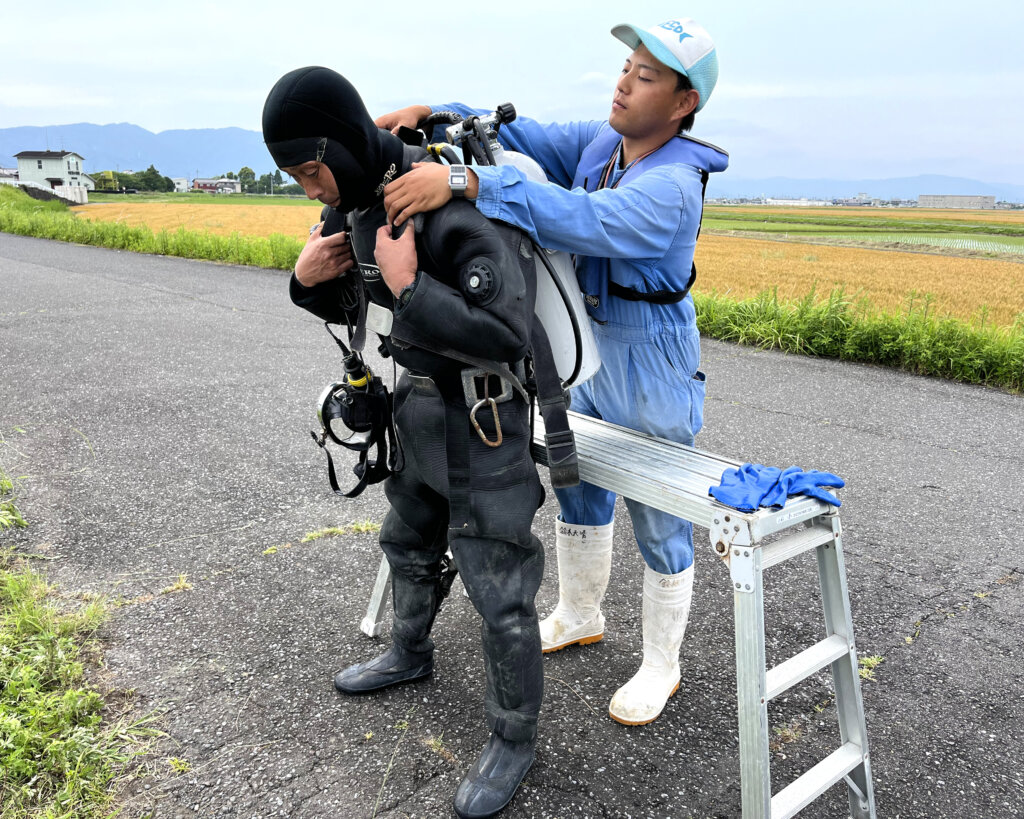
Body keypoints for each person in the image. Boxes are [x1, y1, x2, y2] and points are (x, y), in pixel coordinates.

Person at [376, 17, 729, 727]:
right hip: (593, 344)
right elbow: (525, 132)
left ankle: (664, 662)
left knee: (659, 511)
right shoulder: (606, 142)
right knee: (580, 480)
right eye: (627, 65)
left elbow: (583, 219)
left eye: (648, 75)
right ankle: (579, 612)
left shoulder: (673, 186)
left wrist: (467, 184)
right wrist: (436, 111)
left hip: (653, 354)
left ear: (684, 103)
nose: (625, 81)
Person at [262, 66, 548, 819]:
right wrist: (306, 282)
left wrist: (415, 288)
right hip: (417, 406)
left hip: (484, 418)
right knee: (406, 540)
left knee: (501, 589)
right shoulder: (356, 208)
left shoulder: (442, 207)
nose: (306, 188)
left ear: (342, 144)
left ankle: (514, 737)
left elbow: (509, 332)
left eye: (309, 169)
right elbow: (355, 293)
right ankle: (410, 652)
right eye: (292, 177)